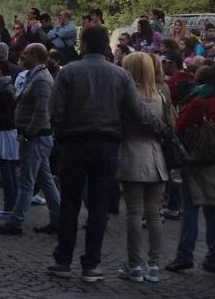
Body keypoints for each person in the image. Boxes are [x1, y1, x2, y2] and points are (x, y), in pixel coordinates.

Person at [47, 24, 158, 282]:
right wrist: (160, 130)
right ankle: (91, 264)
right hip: (107, 144)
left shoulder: (68, 73)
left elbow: (56, 112)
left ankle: (63, 260)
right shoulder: (120, 76)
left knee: (70, 203)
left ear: (83, 44)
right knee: (98, 206)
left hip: (74, 142)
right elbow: (137, 112)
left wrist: (61, 135)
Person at [165, 63, 215, 274]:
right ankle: (214, 256)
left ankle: (184, 254)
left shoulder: (199, 102)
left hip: (199, 155)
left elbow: (180, 126)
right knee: (212, 208)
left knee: (190, 206)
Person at [0, 43, 60, 237]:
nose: (23, 56)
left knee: (26, 181)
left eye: (27, 53)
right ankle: (57, 217)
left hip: (36, 138)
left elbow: (41, 111)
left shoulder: (41, 79)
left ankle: (16, 221)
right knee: (45, 180)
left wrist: (28, 133)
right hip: (35, 136)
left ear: (36, 56)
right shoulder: (36, 75)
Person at [113, 52, 169, 283]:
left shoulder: (126, 97)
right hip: (156, 158)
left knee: (134, 214)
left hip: (132, 155)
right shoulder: (160, 97)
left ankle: (135, 264)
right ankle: (154, 264)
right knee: (154, 215)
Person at [0, 57, 19, 216]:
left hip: (5, 132)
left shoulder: (4, 90)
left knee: (7, 170)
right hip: (8, 132)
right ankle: (12, 204)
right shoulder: (7, 88)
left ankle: (10, 205)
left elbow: (6, 117)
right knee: (10, 170)